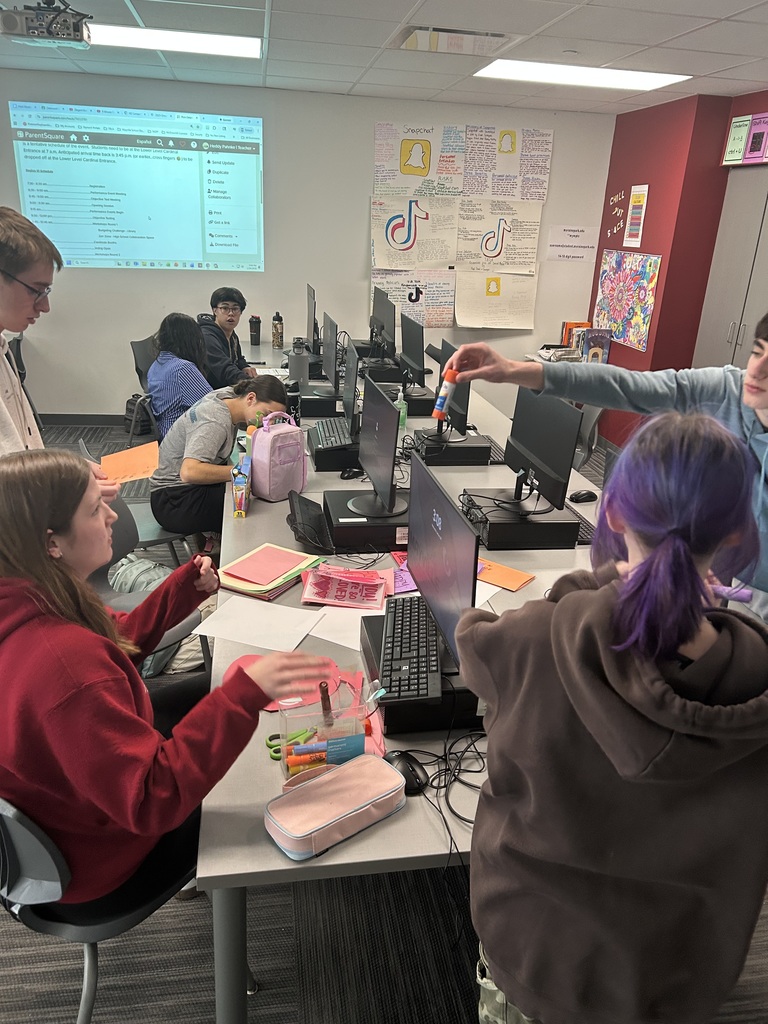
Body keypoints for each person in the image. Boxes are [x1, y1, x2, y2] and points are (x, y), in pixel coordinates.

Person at [456, 412, 768, 1024]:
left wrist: (589, 588)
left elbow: (471, 641)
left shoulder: (536, 641)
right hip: (673, 977)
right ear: (734, 533)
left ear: (616, 514)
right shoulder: (754, 678)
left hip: (538, 956)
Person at [0, 447, 333, 904]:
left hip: (78, 800)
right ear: (51, 542)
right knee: (246, 782)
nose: (113, 516)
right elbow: (153, 799)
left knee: (212, 690)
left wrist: (179, 592)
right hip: (101, 856)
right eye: (96, 510)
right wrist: (240, 698)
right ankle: (229, 932)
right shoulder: (65, 668)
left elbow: (111, 646)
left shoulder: (30, 598)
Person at [445, 315, 768, 622]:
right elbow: (628, 386)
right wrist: (514, 370)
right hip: (720, 572)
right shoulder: (728, 388)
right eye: (757, 352)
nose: (757, 370)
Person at [0, 206, 119, 503]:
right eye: (36, 291)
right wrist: (62, 481)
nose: (45, 306)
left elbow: (19, 450)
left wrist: (63, 471)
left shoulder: (3, 350)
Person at [149, 376, 287, 538]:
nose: (268, 423)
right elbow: (189, 472)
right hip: (173, 501)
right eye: (267, 415)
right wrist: (242, 470)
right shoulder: (215, 419)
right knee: (255, 506)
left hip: (182, 490)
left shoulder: (231, 396)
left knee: (245, 493)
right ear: (251, 398)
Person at [147, 312, 212, 439]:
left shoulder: (156, 364)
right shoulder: (183, 368)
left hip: (166, 433)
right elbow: (212, 405)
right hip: (182, 439)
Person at [197, 286, 257, 389]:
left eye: (235, 309)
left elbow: (238, 359)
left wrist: (244, 367)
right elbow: (224, 369)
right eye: (225, 308)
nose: (231, 313)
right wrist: (254, 384)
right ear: (214, 310)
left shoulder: (232, 335)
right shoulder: (206, 336)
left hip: (225, 388)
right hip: (209, 394)